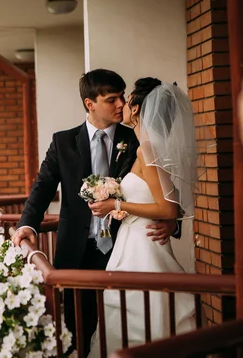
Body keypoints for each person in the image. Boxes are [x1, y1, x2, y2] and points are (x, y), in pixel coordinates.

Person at [11, 69, 178, 355]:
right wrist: (28, 225)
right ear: (90, 103)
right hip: (76, 251)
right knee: (77, 328)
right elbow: (42, 188)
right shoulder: (63, 142)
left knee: (125, 324)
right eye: (111, 99)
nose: (120, 104)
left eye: (122, 97)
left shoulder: (137, 138)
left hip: (124, 249)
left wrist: (171, 222)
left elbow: (162, 190)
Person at [87, 78, 197, 357]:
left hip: (144, 245)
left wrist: (116, 203)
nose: (122, 104)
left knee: (145, 317)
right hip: (134, 241)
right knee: (136, 317)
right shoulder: (143, 145)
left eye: (127, 100)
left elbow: (168, 209)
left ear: (136, 110)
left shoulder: (147, 148)